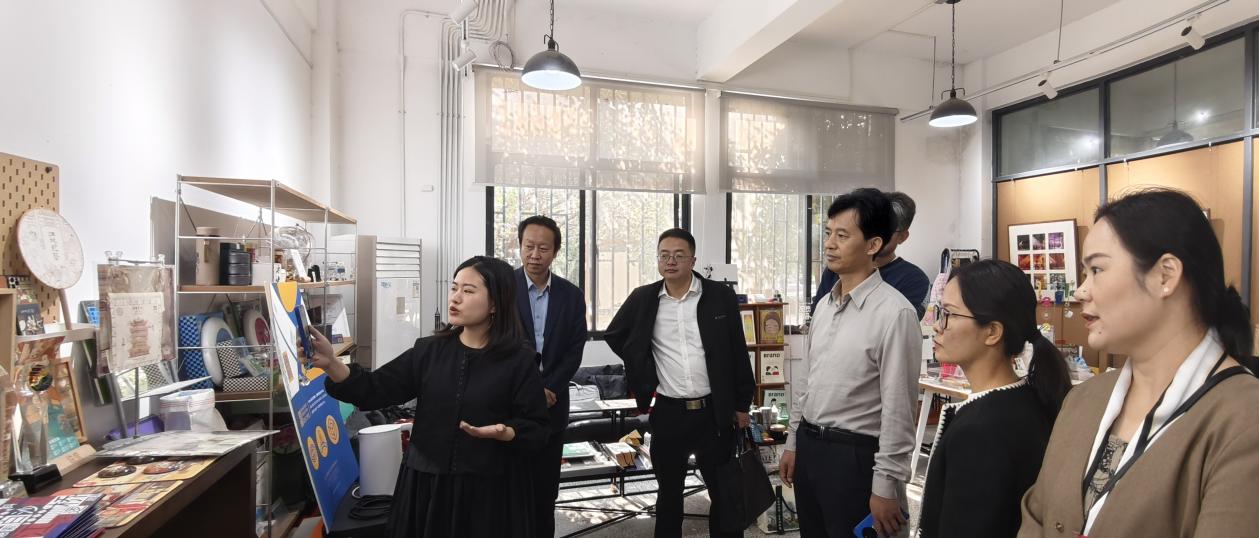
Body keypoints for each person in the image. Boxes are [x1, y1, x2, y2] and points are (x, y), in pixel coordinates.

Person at [1019, 188, 1259, 536]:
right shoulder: (1083, 400)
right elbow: (1036, 516)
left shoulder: (1243, 419)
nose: (1081, 291)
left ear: (1165, 276)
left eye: (1097, 269)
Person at [311, 256, 549, 538]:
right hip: (427, 488)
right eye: (454, 288)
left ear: (496, 303)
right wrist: (331, 363)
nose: (455, 298)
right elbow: (374, 389)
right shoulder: (429, 351)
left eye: (468, 291)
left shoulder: (519, 361)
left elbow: (537, 428)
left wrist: (506, 432)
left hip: (489, 493)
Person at [779, 188, 921, 538]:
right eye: (828, 233)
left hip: (855, 456)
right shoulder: (825, 306)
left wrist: (886, 485)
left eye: (842, 236)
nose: (829, 244)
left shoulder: (895, 313)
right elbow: (809, 383)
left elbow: (899, 409)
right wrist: (794, 442)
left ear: (873, 244)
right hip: (811, 447)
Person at [604, 228, 756, 538]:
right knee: (669, 497)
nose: (670, 261)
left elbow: (737, 350)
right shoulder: (644, 298)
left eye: (678, 255)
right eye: (664, 255)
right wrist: (643, 365)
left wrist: (742, 404)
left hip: (714, 413)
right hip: (670, 413)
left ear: (693, 260)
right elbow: (615, 334)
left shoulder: (719, 296)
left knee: (723, 495)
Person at [918, 259, 1071, 537]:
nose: (938, 326)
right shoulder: (1026, 398)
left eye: (949, 314)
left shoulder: (981, 430)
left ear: (992, 332)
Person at [514, 216, 587, 537]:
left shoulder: (571, 295)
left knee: (545, 492)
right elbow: (496, 347)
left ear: (555, 252)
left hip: (553, 406)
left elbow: (575, 349)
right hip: (510, 405)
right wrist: (531, 390)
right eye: (528, 246)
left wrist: (551, 387)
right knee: (509, 491)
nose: (534, 254)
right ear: (519, 246)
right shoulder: (501, 289)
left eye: (543, 248)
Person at [811, 191, 930, 320]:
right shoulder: (837, 268)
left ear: (903, 236)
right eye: (829, 233)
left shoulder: (913, 280)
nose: (829, 244)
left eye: (886, 230)